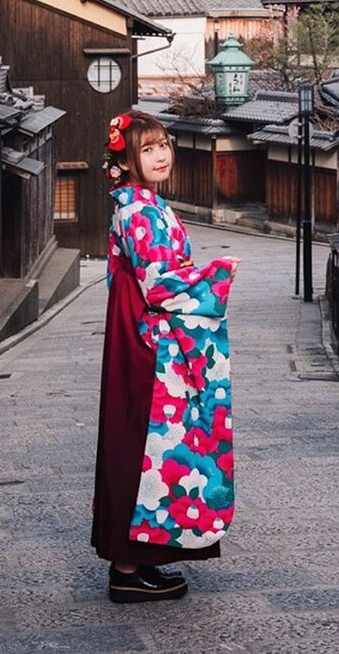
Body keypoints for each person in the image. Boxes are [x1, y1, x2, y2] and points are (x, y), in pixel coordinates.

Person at [91, 111, 239, 604]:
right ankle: (127, 565)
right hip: (148, 344)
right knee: (142, 442)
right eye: (148, 149)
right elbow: (162, 285)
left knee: (145, 441)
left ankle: (137, 558)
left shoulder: (144, 204)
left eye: (163, 146)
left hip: (143, 338)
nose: (160, 156)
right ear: (128, 160)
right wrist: (216, 275)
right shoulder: (137, 211)